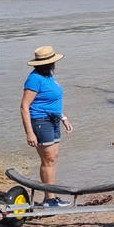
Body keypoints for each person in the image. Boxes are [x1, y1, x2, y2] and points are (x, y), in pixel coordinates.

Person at [20, 46, 74, 207]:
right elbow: (24, 106)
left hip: (53, 120)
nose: (54, 65)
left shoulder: (49, 76)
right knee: (47, 160)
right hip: (41, 121)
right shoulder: (34, 79)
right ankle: (49, 199)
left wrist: (63, 117)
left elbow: (52, 102)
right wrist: (29, 133)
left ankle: (51, 197)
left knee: (52, 159)